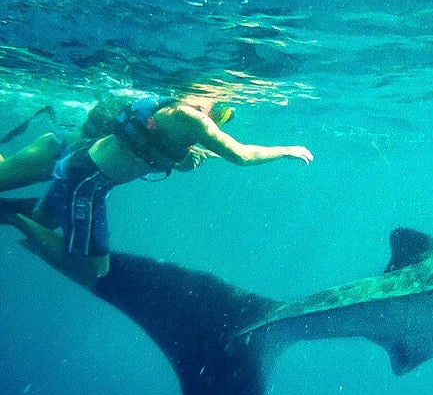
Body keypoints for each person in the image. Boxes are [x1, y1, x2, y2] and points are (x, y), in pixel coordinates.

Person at [1, 93, 313, 288]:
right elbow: (240, 155)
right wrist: (285, 149)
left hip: (78, 169)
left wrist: (185, 159)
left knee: (43, 223)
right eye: (221, 114)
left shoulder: (162, 117)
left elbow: (158, 153)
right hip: (73, 169)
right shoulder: (184, 119)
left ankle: (16, 213)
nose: (217, 123)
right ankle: (12, 214)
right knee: (89, 268)